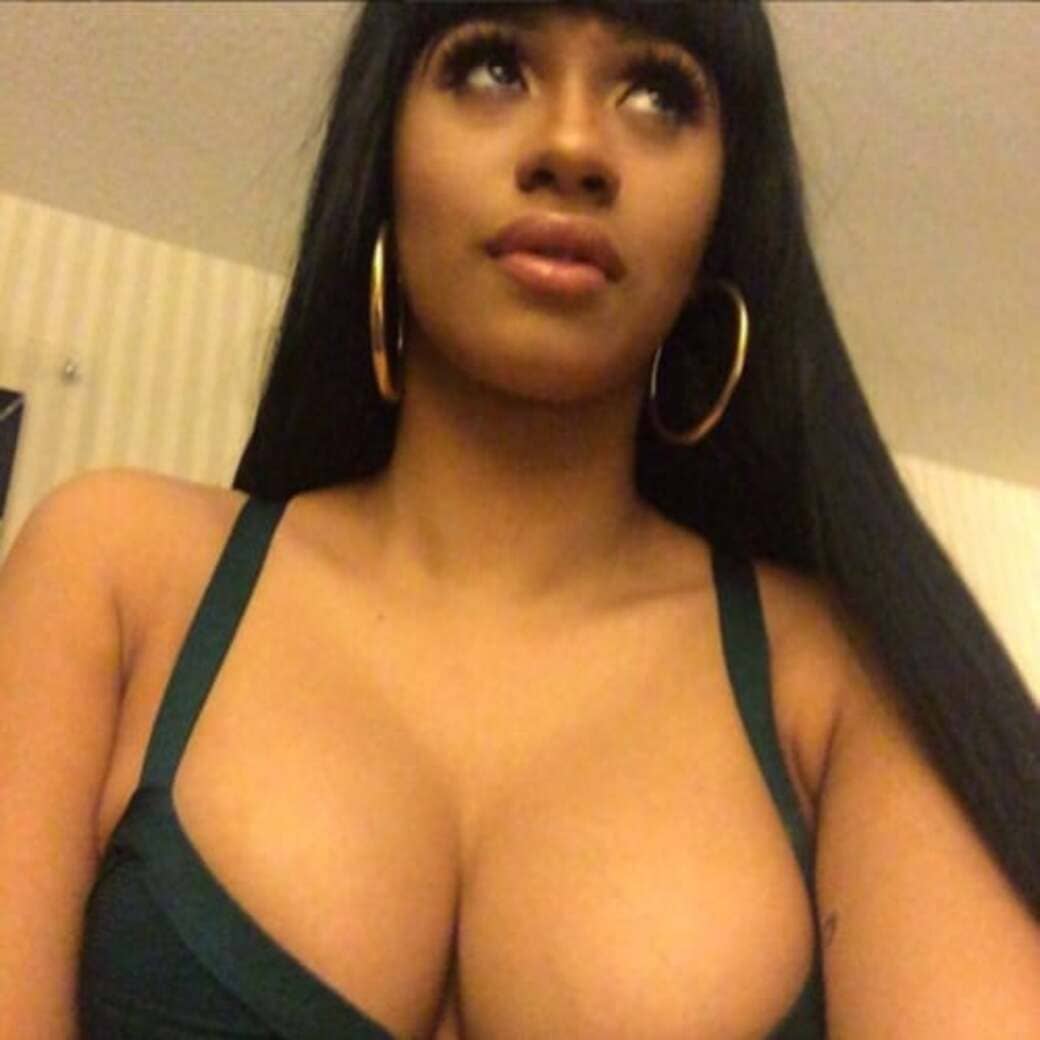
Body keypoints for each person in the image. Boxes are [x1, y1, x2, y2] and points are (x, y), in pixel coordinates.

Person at [1, 1, 1038, 1036]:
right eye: (493, 67)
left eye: (656, 94)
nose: (573, 146)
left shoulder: (835, 678)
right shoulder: (119, 570)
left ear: (723, 212)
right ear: (385, 153)